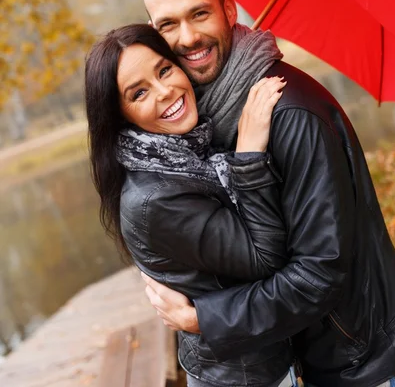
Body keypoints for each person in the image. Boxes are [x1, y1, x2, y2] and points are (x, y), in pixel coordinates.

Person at [140, 0, 395, 387]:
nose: (188, 38)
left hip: (359, 360)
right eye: (169, 25)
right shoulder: (205, 116)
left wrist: (201, 317)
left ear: (228, 10)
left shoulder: (291, 112)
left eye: (199, 14)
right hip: (303, 356)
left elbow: (319, 271)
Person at [84, 22, 300, 387]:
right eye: (139, 93)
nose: (166, 90)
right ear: (120, 116)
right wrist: (248, 155)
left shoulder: (188, 150)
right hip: (244, 376)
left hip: (259, 358)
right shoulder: (155, 200)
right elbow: (265, 259)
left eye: (165, 69)